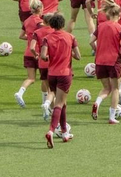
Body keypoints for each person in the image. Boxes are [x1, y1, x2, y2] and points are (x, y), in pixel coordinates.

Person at [40, 13, 79, 147]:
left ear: (51, 25)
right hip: (65, 73)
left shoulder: (47, 38)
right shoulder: (70, 37)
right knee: (59, 103)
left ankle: (64, 132)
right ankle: (51, 130)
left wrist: (48, 57)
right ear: (63, 24)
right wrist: (69, 52)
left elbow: (43, 56)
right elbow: (78, 56)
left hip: (52, 74)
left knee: (63, 103)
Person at [91, 0, 121, 124]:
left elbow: (91, 41)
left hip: (99, 62)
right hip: (113, 62)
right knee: (115, 89)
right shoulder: (120, 28)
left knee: (106, 88)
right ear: (119, 15)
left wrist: (97, 50)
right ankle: (112, 117)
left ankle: (97, 102)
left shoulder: (101, 26)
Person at [15, 0, 49, 111]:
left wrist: (30, 38)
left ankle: (20, 93)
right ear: (39, 9)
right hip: (38, 53)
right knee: (45, 79)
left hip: (28, 52)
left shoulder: (27, 20)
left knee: (31, 78)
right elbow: (43, 35)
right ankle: (46, 102)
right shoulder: (39, 22)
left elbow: (21, 36)